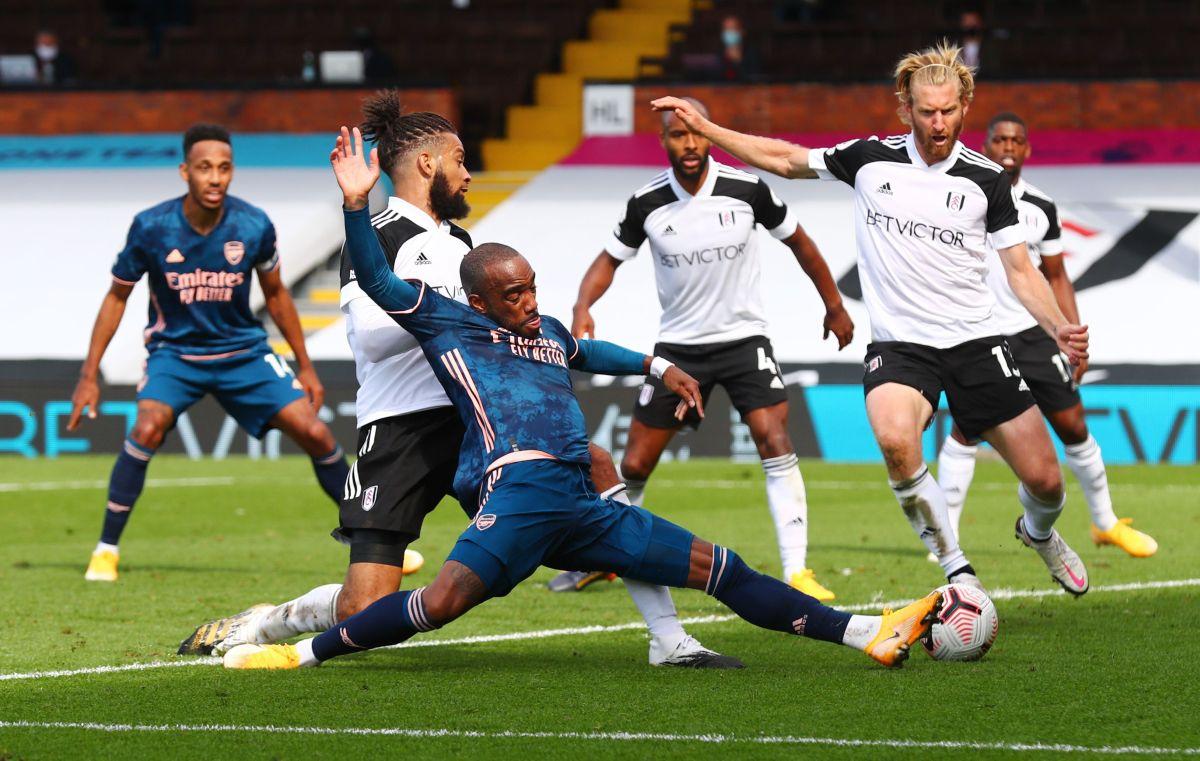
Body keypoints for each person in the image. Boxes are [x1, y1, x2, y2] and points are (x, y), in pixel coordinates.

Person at [221, 126, 943, 672]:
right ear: (478, 301)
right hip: (477, 470)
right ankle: (298, 648)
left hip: (570, 498)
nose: (531, 304)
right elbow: (379, 294)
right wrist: (357, 207)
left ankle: (860, 631)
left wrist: (658, 365)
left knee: (720, 565)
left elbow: (583, 348)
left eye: (532, 288)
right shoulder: (451, 317)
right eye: (514, 295)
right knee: (424, 604)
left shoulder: (534, 319)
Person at [179, 97, 737, 669]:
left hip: (476, 421)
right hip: (400, 430)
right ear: (427, 165)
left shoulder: (464, 247)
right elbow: (370, 338)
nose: (469, 173)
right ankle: (264, 622)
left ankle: (669, 639)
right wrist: (447, 316)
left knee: (593, 466)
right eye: (460, 160)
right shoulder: (378, 235)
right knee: (363, 612)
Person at [650, 41, 1093, 596]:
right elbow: (787, 160)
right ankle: (956, 569)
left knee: (1047, 483)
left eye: (949, 111)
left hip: (978, 345)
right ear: (904, 108)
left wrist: (1059, 328)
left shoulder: (986, 181)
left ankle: (1039, 534)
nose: (938, 123)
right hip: (901, 347)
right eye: (927, 111)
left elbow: (1023, 272)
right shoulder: (869, 158)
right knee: (895, 440)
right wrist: (710, 131)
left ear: (965, 107)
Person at [553, 97, 852, 601]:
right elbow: (608, 261)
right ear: (664, 139)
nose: (689, 144)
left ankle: (797, 570)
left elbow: (800, 242)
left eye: (696, 133)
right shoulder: (646, 202)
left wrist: (834, 304)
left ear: (710, 135)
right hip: (679, 350)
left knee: (772, 437)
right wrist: (583, 306)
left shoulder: (748, 189)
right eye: (677, 134)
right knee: (635, 466)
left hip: (744, 341)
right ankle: (604, 558)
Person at [69, 124, 349, 582]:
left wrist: (306, 364)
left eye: (223, 168)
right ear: (185, 172)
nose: (215, 178)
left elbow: (276, 295)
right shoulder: (152, 227)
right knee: (147, 426)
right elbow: (116, 296)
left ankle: (368, 538)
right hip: (174, 355)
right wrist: (89, 374)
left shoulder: (253, 224)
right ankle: (106, 549)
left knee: (315, 432)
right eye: (204, 168)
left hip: (243, 352)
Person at [935, 112, 1157, 558]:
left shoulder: (1041, 206)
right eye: (1000, 139)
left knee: (1073, 425)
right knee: (965, 430)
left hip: (1031, 333)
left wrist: (1071, 335)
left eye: (1017, 140)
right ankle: (945, 536)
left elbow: (1056, 276)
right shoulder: (962, 195)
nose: (1009, 147)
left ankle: (1105, 523)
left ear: (1027, 149)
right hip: (979, 334)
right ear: (987, 144)